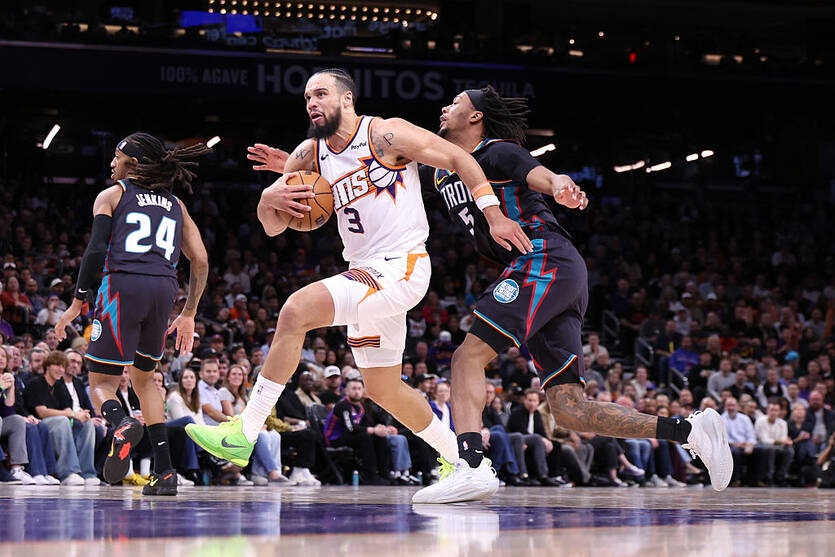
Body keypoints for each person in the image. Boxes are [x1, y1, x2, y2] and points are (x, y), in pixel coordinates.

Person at [183, 68, 532, 473]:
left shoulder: (385, 134)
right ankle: (462, 463)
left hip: (402, 265)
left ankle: (244, 432)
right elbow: (274, 228)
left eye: (321, 94)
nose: (312, 103)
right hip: (366, 271)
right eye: (307, 98)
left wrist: (494, 215)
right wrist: (268, 200)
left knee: (295, 310)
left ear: (346, 98)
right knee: (383, 389)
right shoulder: (307, 154)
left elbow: (458, 158)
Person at [411, 86, 732, 503]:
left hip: (543, 259)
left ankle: (470, 464)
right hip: (554, 271)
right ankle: (689, 431)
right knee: (569, 409)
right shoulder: (440, 169)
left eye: (455, 102)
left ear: (476, 117)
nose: (444, 107)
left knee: (466, 357)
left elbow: (542, 175)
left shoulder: (497, 152)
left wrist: (561, 186)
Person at [54, 132, 210, 496]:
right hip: (164, 290)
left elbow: (96, 250)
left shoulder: (113, 195)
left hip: (122, 286)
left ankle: (121, 422)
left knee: (100, 383)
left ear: (134, 164)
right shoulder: (176, 205)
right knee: (145, 380)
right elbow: (201, 260)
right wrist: (189, 312)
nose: (112, 162)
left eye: (117, 156)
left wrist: (77, 302)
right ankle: (165, 472)